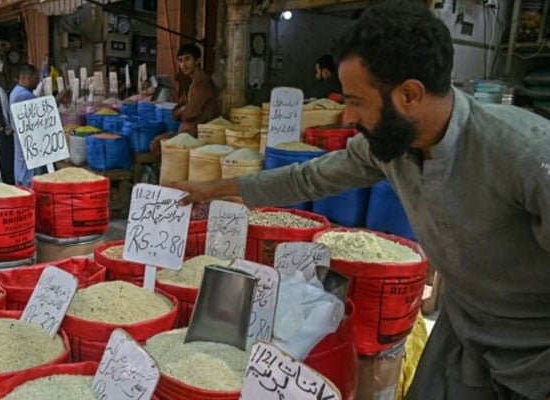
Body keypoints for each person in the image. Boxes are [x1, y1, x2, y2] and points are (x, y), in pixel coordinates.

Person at [170, 1, 550, 399]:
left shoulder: (524, 155)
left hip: (537, 356)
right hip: (467, 334)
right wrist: (217, 190)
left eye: (356, 101)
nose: (347, 117)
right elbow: (310, 178)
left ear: (409, 94)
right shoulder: (391, 148)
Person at [149, 43, 221, 157]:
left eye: (187, 59)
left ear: (197, 61)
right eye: (180, 61)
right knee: (156, 143)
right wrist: (182, 110)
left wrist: (183, 110)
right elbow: (175, 111)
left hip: (199, 135)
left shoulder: (203, 82)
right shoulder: (191, 84)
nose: (183, 65)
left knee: (158, 145)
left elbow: (189, 113)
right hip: (186, 134)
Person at [10, 64, 70, 186]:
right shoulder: (23, 95)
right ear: (28, 78)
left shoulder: (16, 92)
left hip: (26, 145)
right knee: (30, 183)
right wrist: (61, 95)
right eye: (36, 79)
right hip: (29, 147)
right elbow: (45, 111)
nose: (38, 83)